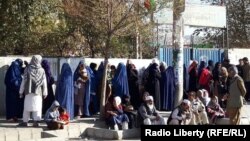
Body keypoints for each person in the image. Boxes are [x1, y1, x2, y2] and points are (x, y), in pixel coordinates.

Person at [19, 55, 48, 127]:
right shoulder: (42, 70)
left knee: (26, 107)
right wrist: (45, 92)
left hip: (28, 92)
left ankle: (25, 122)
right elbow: (44, 83)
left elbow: (24, 81)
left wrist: (21, 91)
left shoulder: (27, 69)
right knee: (37, 108)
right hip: (38, 93)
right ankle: (36, 122)